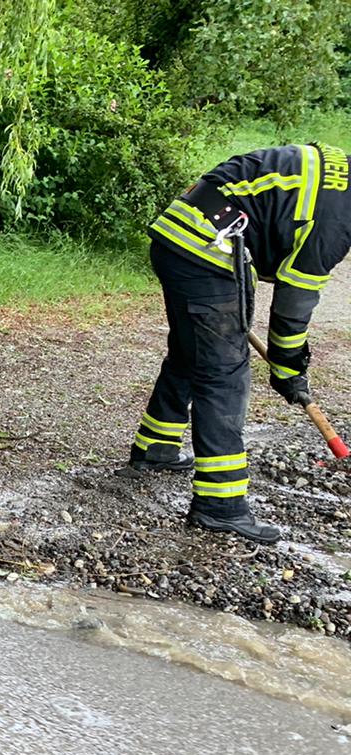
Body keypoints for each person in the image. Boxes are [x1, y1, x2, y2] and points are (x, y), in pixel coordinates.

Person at [135, 143, 350, 544]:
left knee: (191, 352)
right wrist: (288, 367)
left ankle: (156, 447)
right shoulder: (337, 221)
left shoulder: (340, 174)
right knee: (224, 374)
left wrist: (287, 366)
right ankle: (221, 506)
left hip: (182, 233)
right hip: (206, 247)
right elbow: (293, 305)